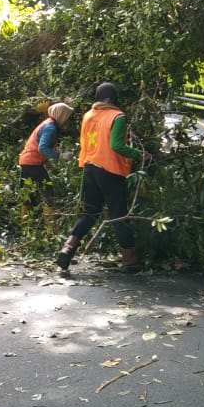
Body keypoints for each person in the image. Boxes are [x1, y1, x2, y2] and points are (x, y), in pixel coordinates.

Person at [55, 82, 143, 274]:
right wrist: (141, 155)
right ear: (114, 99)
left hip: (90, 168)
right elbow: (117, 146)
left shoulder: (88, 115)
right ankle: (130, 260)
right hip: (109, 170)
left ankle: (68, 248)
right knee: (119, 214)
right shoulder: (117, 117)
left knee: (90, 213)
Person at [18, 102, 75, 218]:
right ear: (61, 115)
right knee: (48, 194)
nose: (67, 121)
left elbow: (38, 145)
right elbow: (42, 147)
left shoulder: (47, 124)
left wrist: (45, 161)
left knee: (28, 195)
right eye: (67, 117)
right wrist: (61, 156)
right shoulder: (50, 127)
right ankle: (51, 229)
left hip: (27, 162)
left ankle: (24, 227)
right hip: (33, 163)